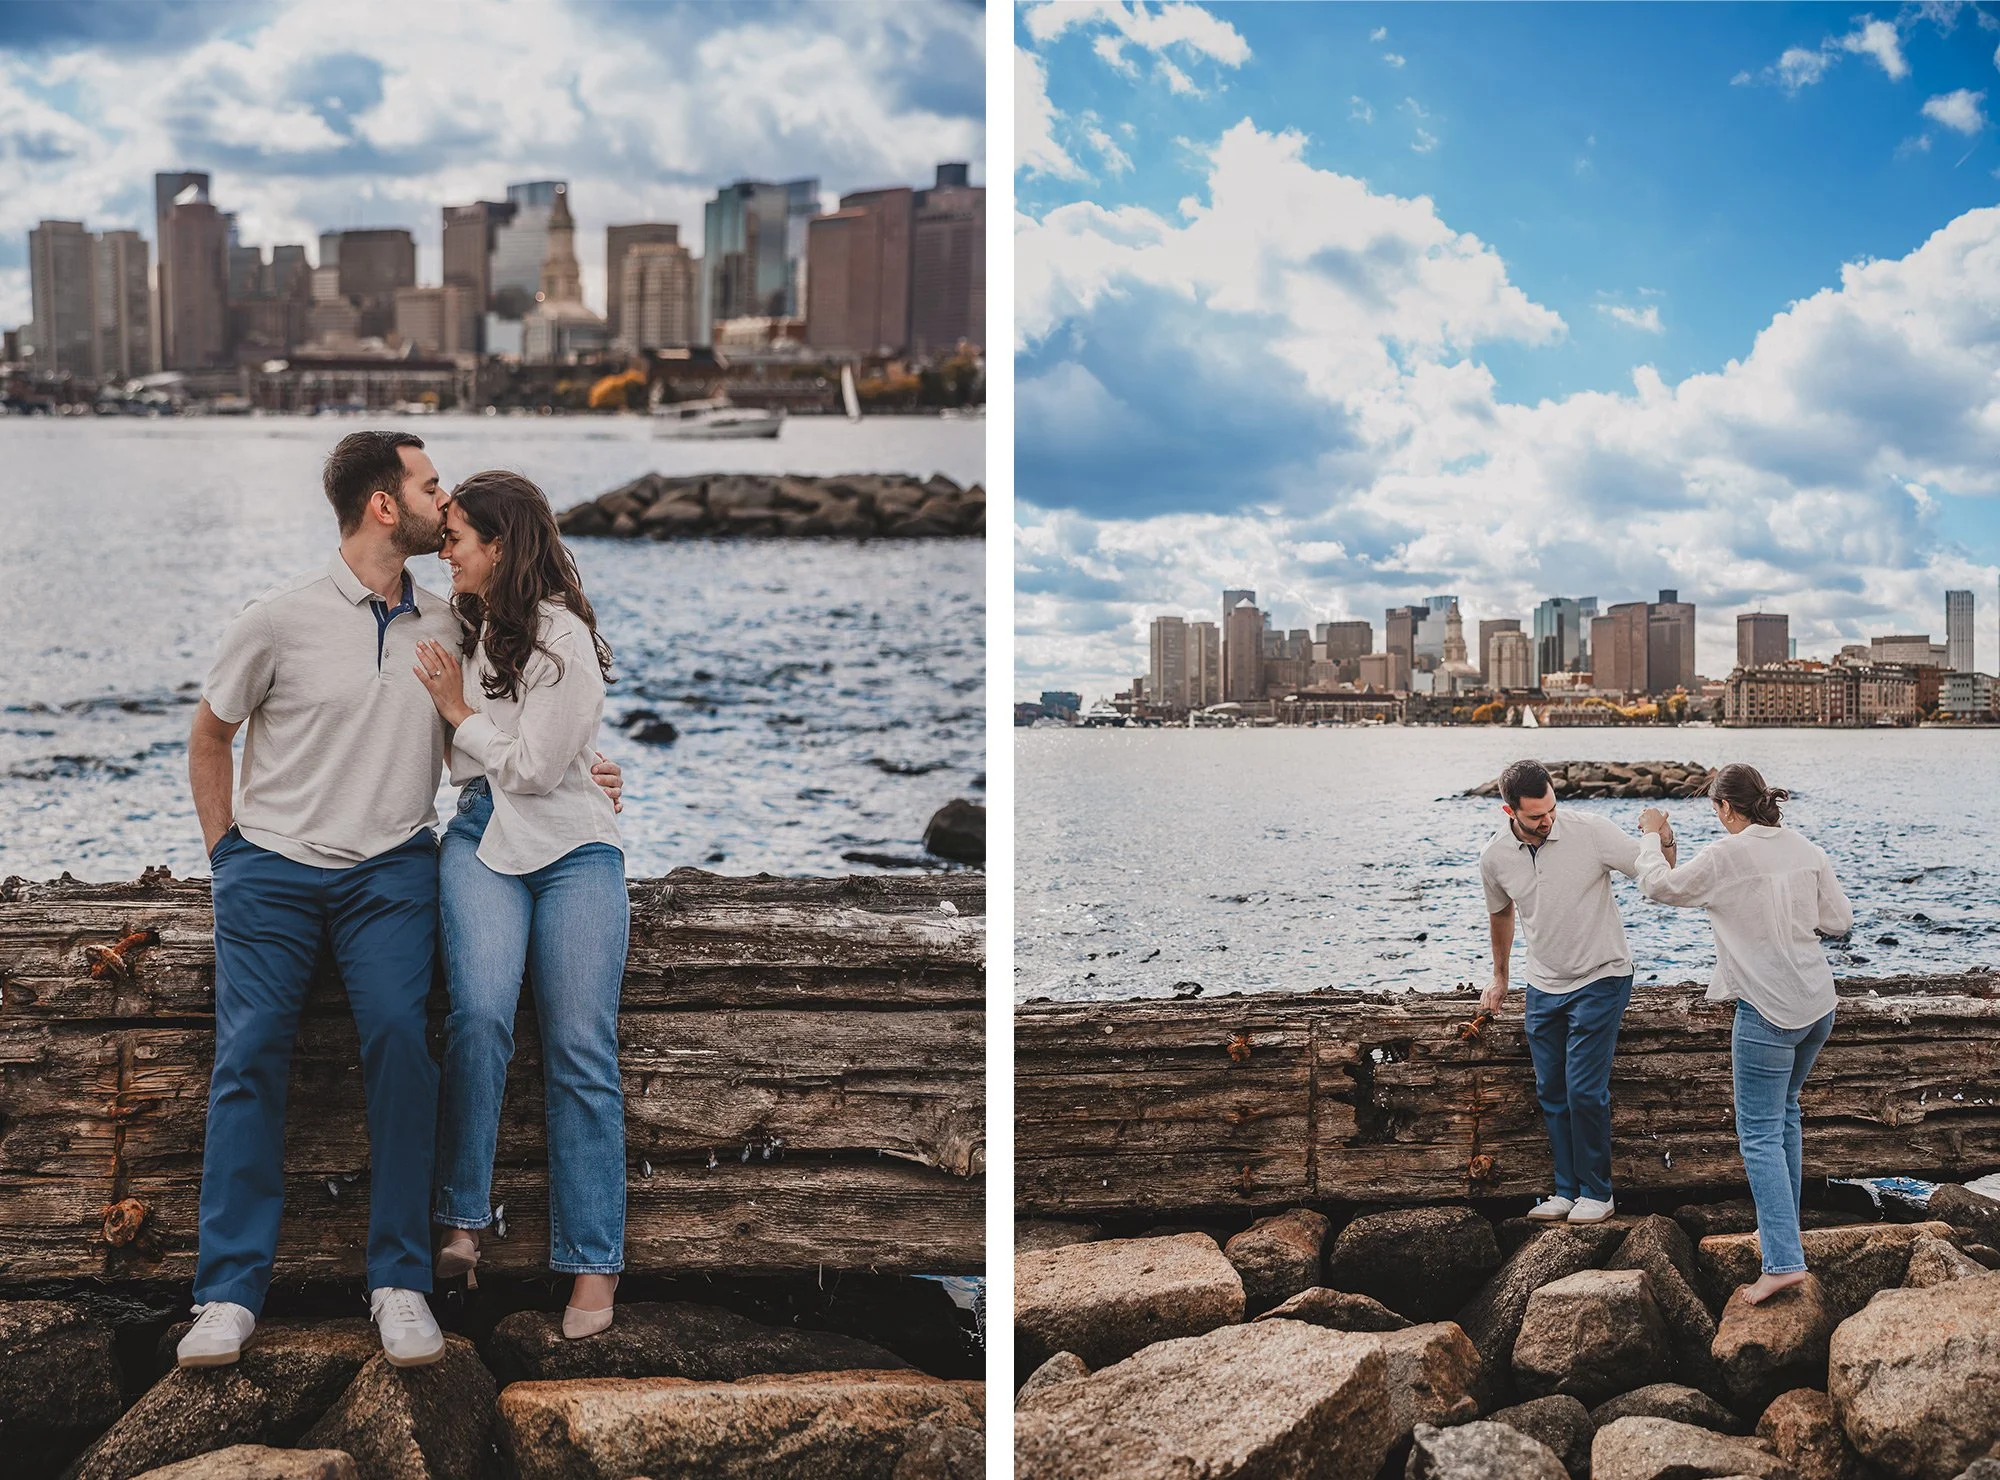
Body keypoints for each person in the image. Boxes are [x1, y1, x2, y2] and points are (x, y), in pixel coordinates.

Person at [178, 432, 621, 1370]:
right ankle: (225, 1294)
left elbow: (517, 713)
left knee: (398, 1044)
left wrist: (584, 767)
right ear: (387, 505)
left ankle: (400, 1282)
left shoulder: (451, 619)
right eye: (429, 487)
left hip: (390, 870)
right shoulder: (277, 617)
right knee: (250, 1054)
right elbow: (209, 735)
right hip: (273, 868)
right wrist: (228, 859)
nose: (442, 499)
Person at [413, 470, 629, 1339]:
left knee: (581, 1046)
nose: (445, 551)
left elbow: (540, 769)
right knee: (480, 1016)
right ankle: (462, 1219)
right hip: (479, 839)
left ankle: (592, 1267)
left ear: (500, 546)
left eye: (457, 538)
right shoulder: (452, 624)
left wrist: (460, 713)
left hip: (575, 850)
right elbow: (480, 758)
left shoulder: (562, 636)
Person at [1635, 763, 1852, 1305]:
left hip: (1769, 1011)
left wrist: (1648, 835)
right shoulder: (1804, 848)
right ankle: (1785, 1235)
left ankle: (1782, 1261)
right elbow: (1839, 921)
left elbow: (1657, 887)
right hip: (1816, 1005)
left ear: (1727, 809)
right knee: (1785, 1115)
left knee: (1758, 1134)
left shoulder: (1726, 857)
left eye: (1716, 809)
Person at [1479, 758, 1674, 1225]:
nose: (1547, 820)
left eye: (1550, 808)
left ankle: (1599, 1193)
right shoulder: (1494, 858)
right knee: (1551, 1091)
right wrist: (1501, 977)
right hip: (1543, 982)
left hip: (1601, 975)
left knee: (1585, 1089)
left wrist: (1662, 835)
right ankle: (1566, 1190)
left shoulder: (1591, 831)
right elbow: (1501, 914)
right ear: (1510, 813)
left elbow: (1658, 871)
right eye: (1535, 816)